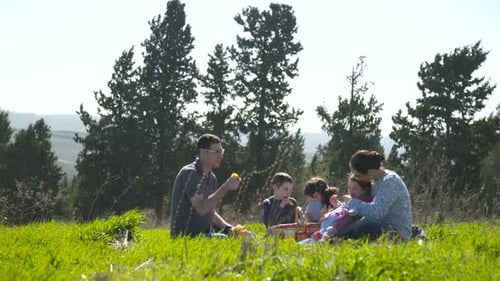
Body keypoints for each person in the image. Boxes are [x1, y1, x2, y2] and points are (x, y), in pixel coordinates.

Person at [169, 133, 241, 238]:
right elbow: (202, 209)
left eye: (221, 152)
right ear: (203, 152)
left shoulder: (212, 178)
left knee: (237, 237)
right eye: (216, 152)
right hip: (186, 236)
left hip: (205, 232)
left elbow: (210, 212)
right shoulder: (190, 173)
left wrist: (230, 229)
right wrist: (225, 187)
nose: (220, 156)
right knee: (224, 239)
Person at [344, 150, 413, 240]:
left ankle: (340, 239)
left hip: (397, 233)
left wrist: (352, 202)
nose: (355, 178)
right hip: (381, 226)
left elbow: (377, 213)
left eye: (357, 175)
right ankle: (335, 238)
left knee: (366, 225)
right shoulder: (375, 182)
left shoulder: (390, 181)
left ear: (369, 172)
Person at [299, 175, 372, 244]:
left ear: (365, 190)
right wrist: (335, 206)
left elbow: (345, 217)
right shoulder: (349, 201)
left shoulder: (363, 204)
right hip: (327, 229)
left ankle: (324, 238)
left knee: (308, 243)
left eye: (355, 188)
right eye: (349, 188)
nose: (351, 191)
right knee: (305, 243)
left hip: (334, 230)